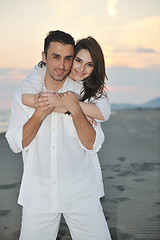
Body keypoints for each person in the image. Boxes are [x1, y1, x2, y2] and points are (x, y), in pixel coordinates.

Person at [6, 30, 112, 240]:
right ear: (44, 58)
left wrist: (73, 108)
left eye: (68, 59)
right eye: (55, 57)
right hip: (38, 195)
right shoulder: (25, 93)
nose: (62, 65)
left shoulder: (85, 94)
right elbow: (16, 143)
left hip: (82, 193)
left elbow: (93, 144)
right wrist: (41, 113)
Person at [21, 36, 111, 122]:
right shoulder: (45, 68)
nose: (82, 69)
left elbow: (104, 113)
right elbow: (26, 99)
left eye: (89, 64)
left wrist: (62, 102)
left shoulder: (92, 85)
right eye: (78, 60)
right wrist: (72, 111)